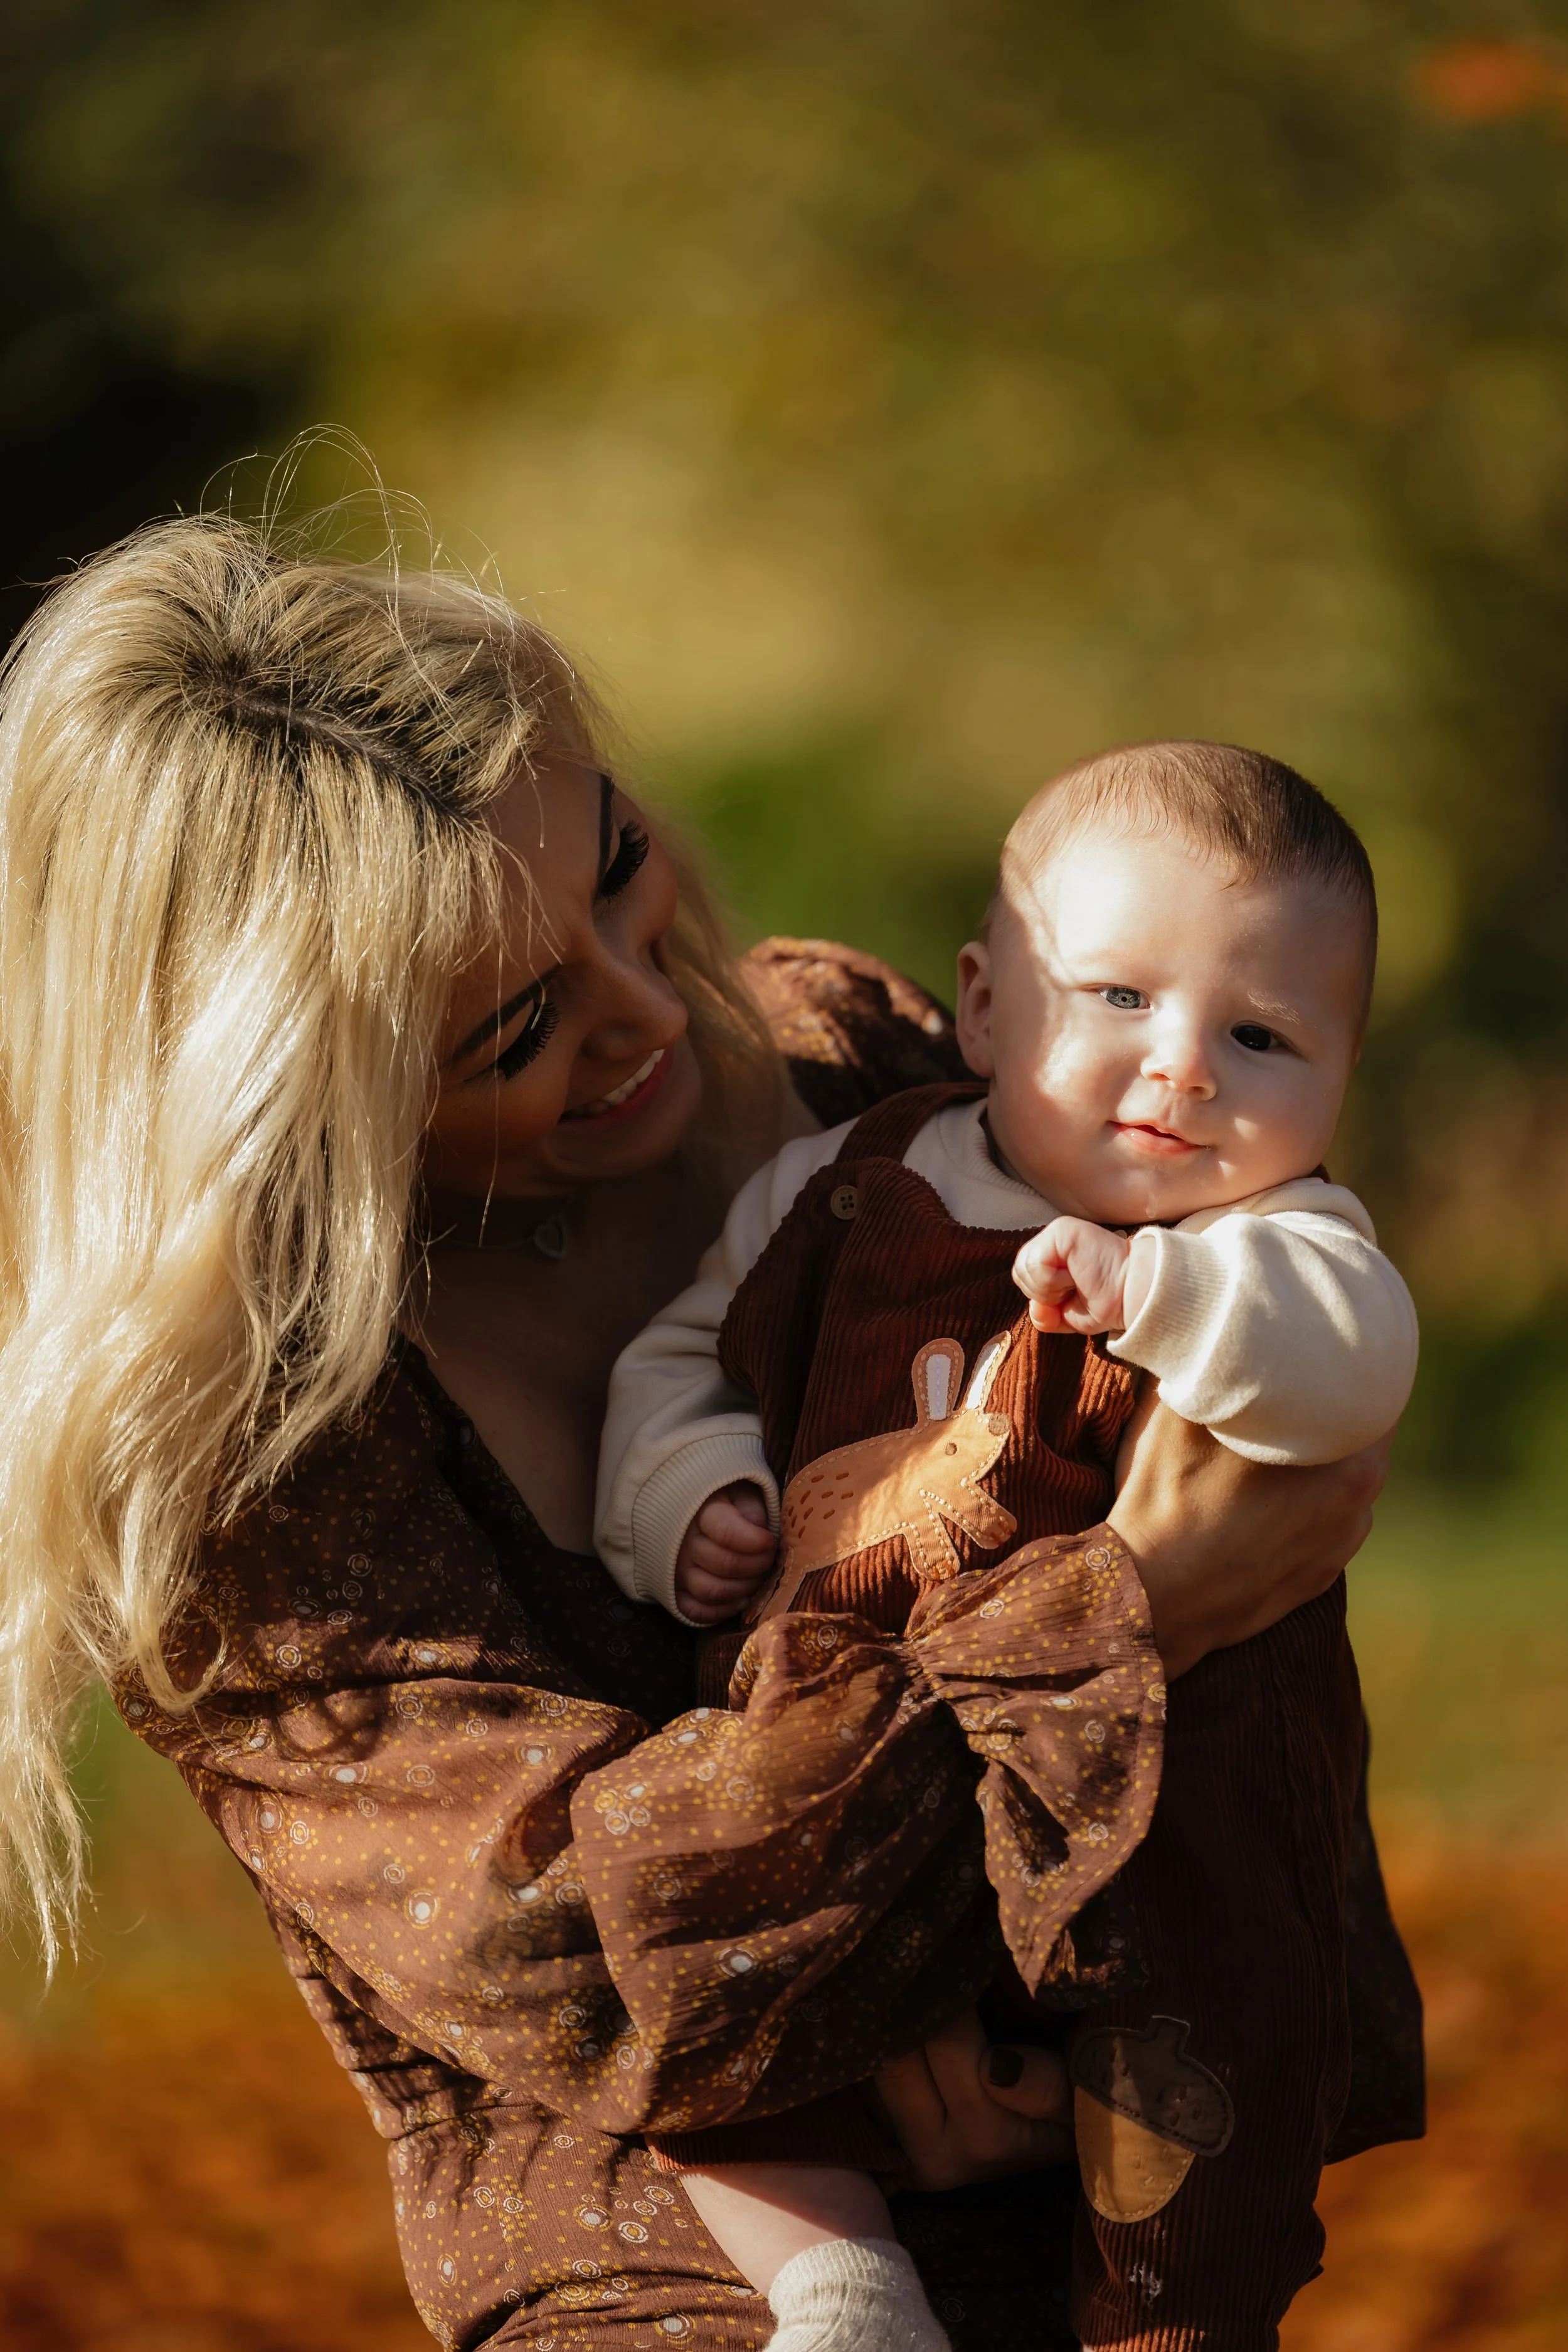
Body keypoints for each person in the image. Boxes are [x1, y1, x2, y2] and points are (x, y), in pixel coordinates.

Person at [0, 514, 1407, 2352]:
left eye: (617, 873)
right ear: (292, 1087)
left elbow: (1270, 1395)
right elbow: (591, 1970)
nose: (647, 1007)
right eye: (514, 1023)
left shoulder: (849, 1069)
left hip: (1109, 2156)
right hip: (678, 2274)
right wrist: (1134, 1610)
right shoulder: (251, 1465)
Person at [596, 743, 1422, 2349]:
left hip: (1172, 1805)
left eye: (1258, 1038)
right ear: (982, 1008)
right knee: (713, 1985)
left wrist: (1165, 1296)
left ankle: (1172, 2325)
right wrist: (683, 1494)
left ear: (1335, 1084)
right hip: (847, 1754)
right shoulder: (835, 1185)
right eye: (1117, 998)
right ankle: (840, 2291)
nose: (1182, 1071)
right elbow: (682, 1358)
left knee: (1188, 2100)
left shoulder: (1272, 1239)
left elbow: (1354, 1365)